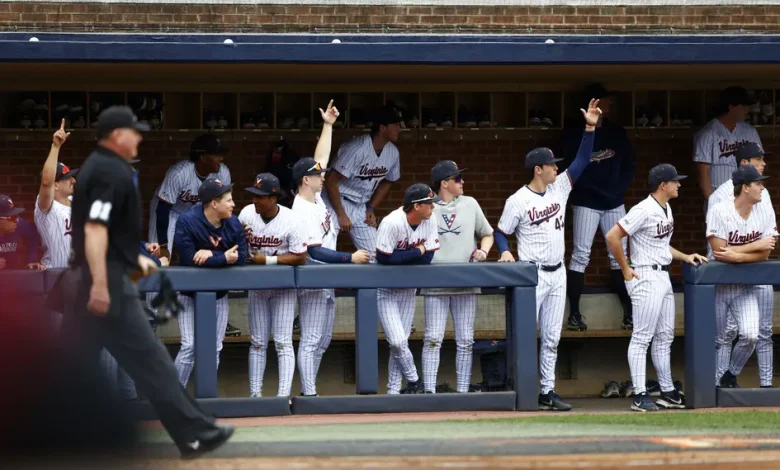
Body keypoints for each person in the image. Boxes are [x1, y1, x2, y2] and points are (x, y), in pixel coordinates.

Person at [61, 105, 234, 459]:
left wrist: (136, 257)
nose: (139, 137)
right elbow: (95, 229)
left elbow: (104, 231)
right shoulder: (108, 170)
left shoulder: (102, 167)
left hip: (97, 275)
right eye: (132, 131)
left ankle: (190, 434)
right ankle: (195, 432)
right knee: (149, 359)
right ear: (114, 136)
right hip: (104, 280)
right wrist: (100, 283)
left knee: (74, 363)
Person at [494, 99, 601, 411]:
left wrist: (590, 128)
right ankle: (523, 388)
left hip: (559, 273)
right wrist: (504, 252)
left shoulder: (560, 189)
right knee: (527, 335)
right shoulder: (517, 199)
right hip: (534, 273)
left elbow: (581, 162)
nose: (558, 167)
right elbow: (501, 231)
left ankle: (547, 391)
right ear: (538, 169)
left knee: (552, 337)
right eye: (552, 164)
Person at [605, 163, 708, 412]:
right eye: (675, 181)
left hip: (663, 275)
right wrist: (625, 268)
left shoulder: (666, 208)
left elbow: (663, 246)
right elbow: (612, 236)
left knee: (664, 337)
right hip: (645, 276)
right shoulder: (644, 209)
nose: (679, 184)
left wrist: (685, 256)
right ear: (664, 185)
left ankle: (668, 392)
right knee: (642, 338)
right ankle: (641, 395)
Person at [291, 101, 371, 397]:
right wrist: (350, 257)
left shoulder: (316, 198)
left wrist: (327, 126)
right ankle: (309, 395)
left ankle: (310, 390)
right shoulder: (301, 208)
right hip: (312, 278)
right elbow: (314, 251)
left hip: (326, 278)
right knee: (311, 338)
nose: (323, 176)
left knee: (323, 340)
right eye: (317, 175)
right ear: (305, 180)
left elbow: (320, 158)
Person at [563, 84, 636, 331]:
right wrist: (590, 191)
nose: (610, 104)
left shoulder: (617, 132)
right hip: (587, 202)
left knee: (620, 257)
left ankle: (629, 312)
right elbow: (569, 169)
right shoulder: (573, 133)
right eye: (606, 100)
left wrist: (617, 191)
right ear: (594, 102)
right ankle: (574, 313)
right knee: (580, 255)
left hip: (614, 201)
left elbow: (629, 166)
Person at [153, 135, 241, 337]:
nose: (221, 159)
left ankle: (216, 313)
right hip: (172, 211)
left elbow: (222, 208)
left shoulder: (222, 173)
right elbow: (163, 209)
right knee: (158, 258)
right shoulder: (179, 173)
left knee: (210, 251)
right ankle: (152, 317)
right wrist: (164, 243)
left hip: (199, 215)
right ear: (202, 157)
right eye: (216, 155)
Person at [420, 161, 493, 394]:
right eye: (458, 179)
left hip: (466, 281)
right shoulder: (427, 207)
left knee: (465, 341)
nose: (463, 182)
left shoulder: (470, 203)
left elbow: (488, 234)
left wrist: (484, 251)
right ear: (444, 183)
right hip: (435, 283)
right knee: (432, 339)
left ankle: (463, 393)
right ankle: (429, 392)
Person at [707, 142, 775, 389]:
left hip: (754, 276)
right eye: (759, 159)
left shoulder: (762, 198)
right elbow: (718, 250)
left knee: (756, 334)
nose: (764, 163)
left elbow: (767, 246)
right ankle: (717, 388)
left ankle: (752, 382)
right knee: (723, 336)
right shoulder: (719, 201)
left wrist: (738, 254)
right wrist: (736, 254)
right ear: (744, 186)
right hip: (725, 278)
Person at [171, 177, 247, 388]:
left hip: (219, 294)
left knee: (214, 347)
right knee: (189, 345)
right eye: (229, 200)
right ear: (214, 203)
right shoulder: (187, 221)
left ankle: (206, 395)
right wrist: (222, 258)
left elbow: (241, 258)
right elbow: (188, 259)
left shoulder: (233, 222)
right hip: (188, 294)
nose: (233, 204)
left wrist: (210, 254)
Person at [239, 173, 307, 398]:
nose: (255, 201)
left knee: (282, 342)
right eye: (254, 196)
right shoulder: (246, 214)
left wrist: (267, 260)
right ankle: (254, 395)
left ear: (274, 197)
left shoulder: (292, 219)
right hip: (257, 287)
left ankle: (282, 397)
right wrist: (239, 237)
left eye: (261, 196)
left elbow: (300, 256)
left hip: (283, 287)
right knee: (257, 342)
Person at [375, 183, 441, 394]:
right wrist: (416, 251)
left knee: (400, 343)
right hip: (386, 290)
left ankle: (393, 391)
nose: (433, 207)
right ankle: (414, 379)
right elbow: (384, 258)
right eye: (429, 204)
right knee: (396, 340)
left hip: (408, 290)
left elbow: (428, 257)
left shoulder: (429, 221)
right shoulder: (391, 222)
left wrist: (409, 256)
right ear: (416, 206)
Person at [323, 105, 402, 261]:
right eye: (396, 125)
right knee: (325, 251)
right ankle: (324, 286)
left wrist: (371, 207)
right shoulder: (357, 148)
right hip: (334, 201)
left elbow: (388, 181)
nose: (400, 129)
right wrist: (341, 213)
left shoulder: (393, 152)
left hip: (360, 205)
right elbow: (331, 181)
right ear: (383, 128)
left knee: (375, 255)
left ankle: (372, 286)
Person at [694, 86, 762, 201]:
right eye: (743, 106)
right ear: (731, 107)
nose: (747, 110)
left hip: (747, 197)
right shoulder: (708, 133)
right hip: (720, 197)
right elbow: (703, 174)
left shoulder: (750, 131)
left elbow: (760, 165)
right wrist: (712, 204)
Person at [34, 119, 75, 270]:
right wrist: (56, 146)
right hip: (54, 277)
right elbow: (46, 182)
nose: (73, 180)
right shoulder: (46, 207)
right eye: (67, 178)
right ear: (56, 184)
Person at [0, 195, 43, 270]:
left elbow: (33, 236)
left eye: (16, 216)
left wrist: (31, 260)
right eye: (12, 217)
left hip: (12, 275)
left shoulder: (19, 224)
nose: (16, 220)